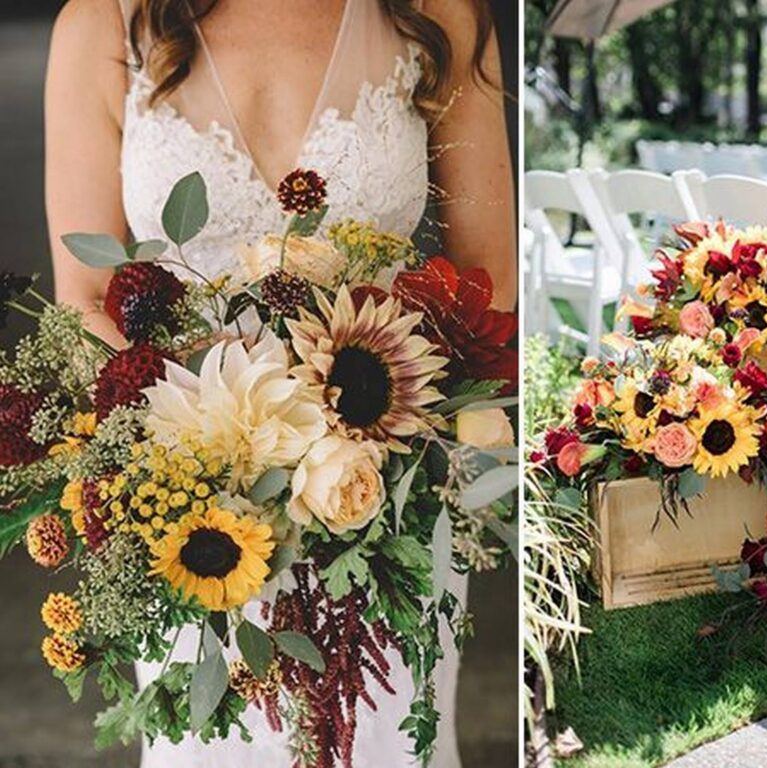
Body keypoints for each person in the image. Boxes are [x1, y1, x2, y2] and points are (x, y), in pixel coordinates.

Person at [44, 1, 515, 765]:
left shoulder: (435, 13)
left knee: (392, 741)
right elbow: (83, 298)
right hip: (191, 514)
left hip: (380, 489)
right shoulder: (102, 24)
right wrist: (202, 450)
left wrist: (364, 417)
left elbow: (488, 281)